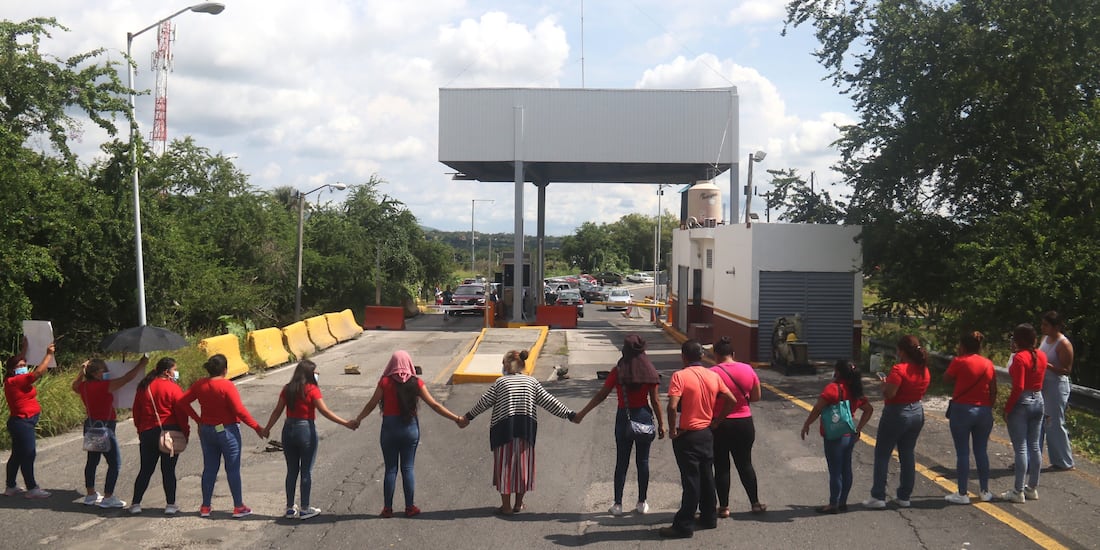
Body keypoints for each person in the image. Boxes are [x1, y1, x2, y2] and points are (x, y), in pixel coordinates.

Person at [460, 350, 577, 516]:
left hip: (503, 431)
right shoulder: (532, 382)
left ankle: (506, 506)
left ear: (507, 365)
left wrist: (467, 417)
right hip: (525, 430)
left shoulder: (500, 383)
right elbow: (549, 401)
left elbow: (484, 402)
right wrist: (569, 414)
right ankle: (518, 504)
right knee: (523, 467)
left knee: (504, 467)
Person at [350, 351, 463, 518]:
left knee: (390, 469)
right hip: (410, 429)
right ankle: (410, 507)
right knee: (408, 467)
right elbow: (435, 405)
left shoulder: (385, 382)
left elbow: (372, 404)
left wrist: (358, 419)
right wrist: (457, 418)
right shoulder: (416, 382)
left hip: (389, 428)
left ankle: (387, 509)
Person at [574, 334, 666, 516]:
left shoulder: (618, 371)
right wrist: (662, 424)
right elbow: (655, 401)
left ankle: (617, 504)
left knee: (621, 462)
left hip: (624, 418)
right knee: (643, 461)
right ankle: (642, 502)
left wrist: (582, 413)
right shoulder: (650, 371)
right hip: (644, 416)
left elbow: (601, 395)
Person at [659, 339, 737, 539]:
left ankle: (683, 524)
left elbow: (672, 406)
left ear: (683, 356)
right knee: (706, 477)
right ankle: (709, 517)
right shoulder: (712, 375)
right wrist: (717, 421)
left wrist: (673, 430)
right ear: (702, 356)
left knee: (691, 481)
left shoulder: (680, 376)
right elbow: (732, 400)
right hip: (706, 433)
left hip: (688, 435)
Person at [261, 359, 355, 520]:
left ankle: (290, 508)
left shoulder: (288, 389)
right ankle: (305, 508)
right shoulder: (312, 389)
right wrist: (345, 423)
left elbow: (277, 411)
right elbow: (324, 411)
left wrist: (267, 428)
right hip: (306, 430)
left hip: (288, 429)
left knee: (292, 470)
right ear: (309, 374)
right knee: (306, 471)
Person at [177, 354, 263, 519]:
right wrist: (257, 427)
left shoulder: (200, 384)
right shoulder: (226, 386)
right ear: (225, 370)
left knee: (209, 469)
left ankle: (205, 506)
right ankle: (238, 506)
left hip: (207, 430)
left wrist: (198, 420)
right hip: (227, 431)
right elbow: (239, 410)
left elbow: (182, 401)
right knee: (232, 469)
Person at [863, 335, 930, 509]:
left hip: (897, 412)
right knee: (907, 453)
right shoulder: (924, 369)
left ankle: (878, 495)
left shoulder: (899, 369)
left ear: (901, 351)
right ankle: (904, 496)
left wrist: (883, 385)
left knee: (883, 453)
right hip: (916, 411)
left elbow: (890, 394)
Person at [72, 355, 147, 508]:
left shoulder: (84, 387)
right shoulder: (104, 386)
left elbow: (74, 385)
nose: (106, 372)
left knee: (92, 461)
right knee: (115, 463)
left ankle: (91, 494)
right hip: (105, 427)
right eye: (102, 370)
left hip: (91, 426)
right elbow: (127, 378)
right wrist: (141, 365)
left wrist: (81, 371)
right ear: (94, 373)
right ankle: (108, 497)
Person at [800, 360, 873, 513]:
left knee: (835, 471)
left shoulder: (833, 389)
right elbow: (868, 409)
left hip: (834, 436)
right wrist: (858, 428)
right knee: (846, 469)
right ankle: (843, 502)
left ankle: (833, 504)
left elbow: (818, 408)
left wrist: (807, 423)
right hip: (849, 434)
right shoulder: (855, 389)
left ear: (838, 372)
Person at [710, 336, 766, 516]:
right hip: (744, 423)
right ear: (733, 354)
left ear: (716, 355)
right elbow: (756, 397)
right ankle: (755, 503)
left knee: (721, 465)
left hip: (720, 424)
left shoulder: (712, 373)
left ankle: (724, 507)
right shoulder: (748, 369)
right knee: (745, 464)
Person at [129, 357, 189, 515]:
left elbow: (136, 412)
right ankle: (170, 504)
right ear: (167, 371)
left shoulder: (144, 387)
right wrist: (186, 433)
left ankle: (135, 503)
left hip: (147, 432)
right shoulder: (173, 388)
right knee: (168, 471)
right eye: (174, 369)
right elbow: (182, 413)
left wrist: (140, 431)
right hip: (170, 433)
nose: (175, 372)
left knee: (145, 470)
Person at [942, 331, 996, 504]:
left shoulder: (959, 361)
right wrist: (988, 407)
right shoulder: (988, 364)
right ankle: (985, 491)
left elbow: (946, 379)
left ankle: (962, 493)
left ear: (963, 346)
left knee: (963, 452)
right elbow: (993, 389)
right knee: (981, 451)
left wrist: (958, 358)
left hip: (962, 410)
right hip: (984, 410)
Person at [1000, 324, 1047, 503]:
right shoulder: (1041, 355)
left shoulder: (1020, 358)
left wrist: (1007, 408)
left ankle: (1018, 490)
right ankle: (1032, 487)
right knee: (1035, 446)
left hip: (1022, 401)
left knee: (1020, 448)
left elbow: (1018, 386)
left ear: (1018, 340)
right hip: (1038, 399)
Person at [3, 340, 55, 499]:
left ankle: (10, 486)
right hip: (22, 423)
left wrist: (25, 349)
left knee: (18, 455)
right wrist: (49, 355)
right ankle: (32, 488)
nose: (23, 367)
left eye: (24, 364)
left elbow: (20, 361)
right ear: (12, 369)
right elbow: (38, 373)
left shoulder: (11, 380)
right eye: (20, 366)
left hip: (21, 422)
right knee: (28, 455)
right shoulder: (16, 380)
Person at [1039, 311, 1075, 471]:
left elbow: (1066, 370)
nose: (1043, 327)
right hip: (1043, 385)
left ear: (1056, 326)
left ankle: (1063, 461)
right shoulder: (1044, 339)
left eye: (1046, 325)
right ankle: (1035, 459)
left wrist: (1046, 364)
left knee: (1054, 422)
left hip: (1056, 386)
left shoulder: (1064, 344)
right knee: (1040, 422)